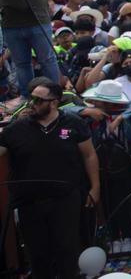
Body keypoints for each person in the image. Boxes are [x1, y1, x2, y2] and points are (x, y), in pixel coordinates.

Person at [0, 78, 100, 279]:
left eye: (38, 100)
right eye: (31, 98)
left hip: (66, 198)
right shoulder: (16, 128)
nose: (32, 104)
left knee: (67, 250)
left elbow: (89, 155)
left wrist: (95, 187)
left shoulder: (73, 124)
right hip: (29, 202)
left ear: (54, 102)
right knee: (38, 254)